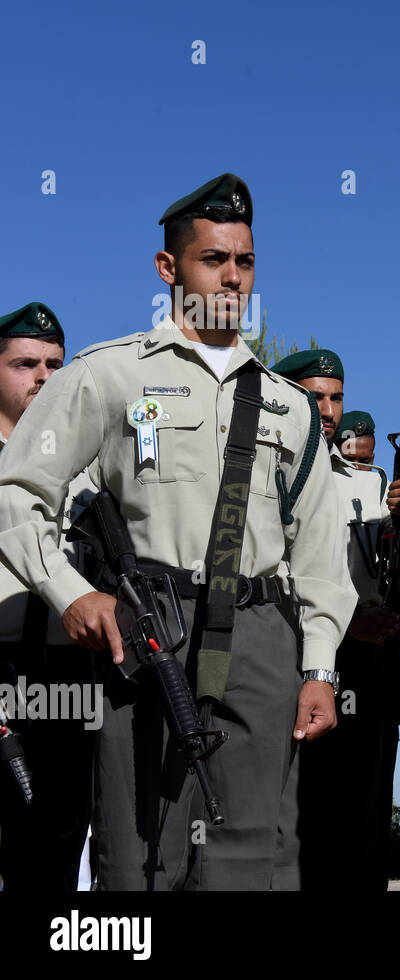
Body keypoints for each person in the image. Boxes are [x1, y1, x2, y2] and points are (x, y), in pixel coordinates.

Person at [0, 174, 355, 890]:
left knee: (257, 852)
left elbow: (319, 548)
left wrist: (318, 668)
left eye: (245, 261)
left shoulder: (286, 404)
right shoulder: (110, 375)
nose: (232, 276)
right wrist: (71, 594)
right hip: (144, 632)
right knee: (138, 857)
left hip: (260, 639)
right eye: (213, 259)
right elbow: (15, 493)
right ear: (169, 268)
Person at [271, 352, 400, 891]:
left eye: (336, 397)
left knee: (366, 810)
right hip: (298, 655)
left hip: (370, 656)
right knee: (303, 813)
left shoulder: (366, 481)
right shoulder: (269, 468)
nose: (329, 411)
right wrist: (343, 620)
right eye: (316, 398)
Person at [0, 303, 96, 892]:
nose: (43, 378)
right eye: (25, 364)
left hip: (69, 671)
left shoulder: (86, 469)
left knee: (61, 840)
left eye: (55, 366)